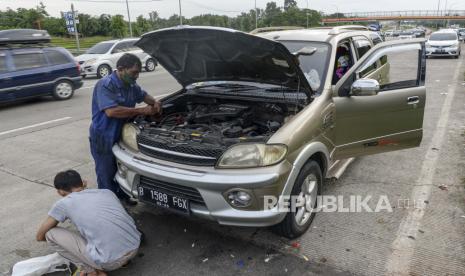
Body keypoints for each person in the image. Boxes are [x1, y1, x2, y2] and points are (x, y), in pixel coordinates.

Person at [36, 170, 141, 276]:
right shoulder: (106, 192)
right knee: (101, 225)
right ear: (83, 182)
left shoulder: (63, 204)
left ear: (60, 192)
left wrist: (69, 247)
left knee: (50, 234)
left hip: (110, 261)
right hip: (135, 246)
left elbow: (40, 236)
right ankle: (123, 260)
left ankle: (92, 271)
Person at [89, 53, 161, 203]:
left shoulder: (131, 85)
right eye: (134, 72)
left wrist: (155, 103)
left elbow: (143, 95)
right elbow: (111, 111)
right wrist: (142, 110)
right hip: (104, 136)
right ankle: (108, 204)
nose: (137, 76)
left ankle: (122, 195)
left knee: (121, 169)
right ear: (121, 69)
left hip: (122, 134)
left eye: (138, 72)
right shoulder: (106, 84)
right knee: (106, 172)